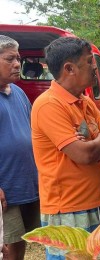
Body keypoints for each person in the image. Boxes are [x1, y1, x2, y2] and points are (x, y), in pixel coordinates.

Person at [31, 37, 100, 259]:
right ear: (69, 68)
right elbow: (84, 154)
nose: (94, 67)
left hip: (98, 203)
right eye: (89, 62)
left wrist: (94, 144)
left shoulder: (85, 101)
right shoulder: (48, 105)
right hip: (68, 212)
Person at [0, 35, 40, 260]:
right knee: (9, 245)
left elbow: (32, 131)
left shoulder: (18, 93)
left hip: (25, 183)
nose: (17, 64)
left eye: (18, 58)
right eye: (10, 59)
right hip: (5, 188)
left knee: (21, 241)